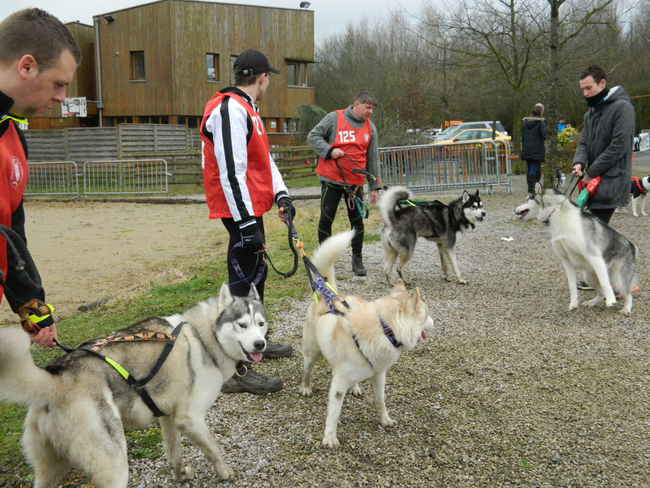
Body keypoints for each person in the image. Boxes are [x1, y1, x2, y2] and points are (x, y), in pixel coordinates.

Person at [200, 49, 295, 394]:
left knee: (257, 275)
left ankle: (256, 343)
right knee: (241, 282)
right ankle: (235, 369)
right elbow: (231, 170)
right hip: (239, 211)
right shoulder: (229, 109)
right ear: (262, 78)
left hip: (251, 208)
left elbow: (263, 160)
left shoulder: (248, 110)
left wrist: (281, 194)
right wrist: (245, 223)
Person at [0, 8, 80, 348]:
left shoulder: (14, 138)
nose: (62, 98)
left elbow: (11, 235)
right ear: (27, 66)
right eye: (59, 84)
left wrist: (34, 309)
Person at [571, 65, 636, 292]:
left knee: (599, 234)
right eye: (582, 89)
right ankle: (602, 281)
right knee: (594, 234)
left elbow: (618, 146)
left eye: (589, 88)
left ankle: (620, 284)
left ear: (602, 83)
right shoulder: (591, 114)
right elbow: (584, 143)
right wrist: (578, 163)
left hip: (612, 180)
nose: (585, 93)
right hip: (595, 183)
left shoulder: (622, 108)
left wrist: (591, 171)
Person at [308, 92, 381, 276]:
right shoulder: (334, 118)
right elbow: (314, 136)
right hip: (331, 180)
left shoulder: (370, 128)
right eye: (367, 107)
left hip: (355, 184)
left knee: (357, 222)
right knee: (326, 219)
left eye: (372, 108)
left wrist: (375, 187)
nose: (370, 111)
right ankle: (324, 261)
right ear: (356, 104)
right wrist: (330, 151)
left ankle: (357, 259)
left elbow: (372, 159)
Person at [521, 103, 547, 194]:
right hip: (537, 148)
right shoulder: (541, 123)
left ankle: (530, 185)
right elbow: (544, 135)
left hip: (527, 148)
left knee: (529, 167)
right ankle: (532, 187)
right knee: (534, 167)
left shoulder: (526, 123)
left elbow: (523, 136)